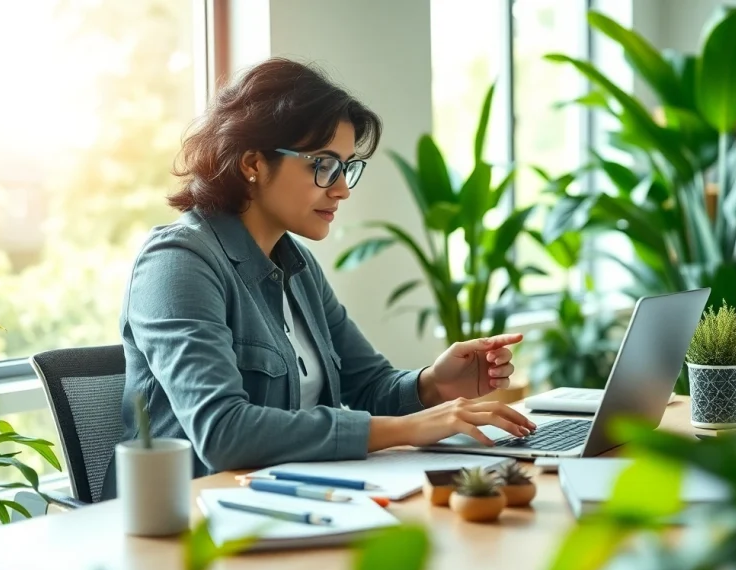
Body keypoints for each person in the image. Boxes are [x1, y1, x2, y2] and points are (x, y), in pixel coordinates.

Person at [101, 58, 534, 499]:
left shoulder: (297, 265)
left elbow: (368, 384)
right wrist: (405, 428)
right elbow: (224, 433)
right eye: (323, 165)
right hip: (190, 525)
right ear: (253, 163)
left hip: (292, 501)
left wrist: (433, 384)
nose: (342, 188)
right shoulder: (178, 262)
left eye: (346, 167)